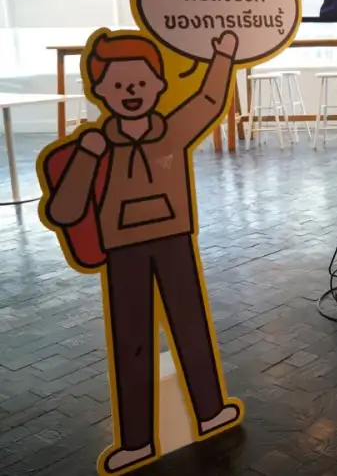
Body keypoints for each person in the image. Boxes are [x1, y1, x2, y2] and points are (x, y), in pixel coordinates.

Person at [42, 31, 242, 474]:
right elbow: (64, 210)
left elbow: (209, 101)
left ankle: (210, 411)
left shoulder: (170, 131)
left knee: (191, 328)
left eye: (139, 82)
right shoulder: (96, 146)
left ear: (158, 84)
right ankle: (136, 441)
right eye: (117, 84)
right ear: (99, 91)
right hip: (122, 250)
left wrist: (223, 56)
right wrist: (87, 157)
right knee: (131, 341)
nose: (130, 92)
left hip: (174, 240)